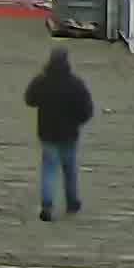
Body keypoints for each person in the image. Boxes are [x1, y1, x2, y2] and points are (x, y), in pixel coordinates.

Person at [25, 45, 94, 221]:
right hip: (70, 134)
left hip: (47, 132)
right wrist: (78, 121)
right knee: (69, 169)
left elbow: (30, 100)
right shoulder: (75, 84)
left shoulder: (42, 81)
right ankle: (72, 202)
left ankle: (47, 205)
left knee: (49, 169)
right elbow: (86, 109)